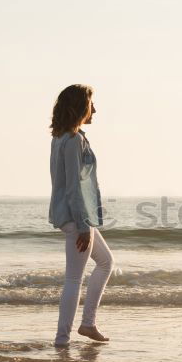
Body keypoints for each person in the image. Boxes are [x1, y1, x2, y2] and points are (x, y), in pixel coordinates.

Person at [48, 84, 115, 347]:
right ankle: (62, 340)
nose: (95, 109)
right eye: (91, 104)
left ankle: (88, 324)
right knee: (74, 278)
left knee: (106, 262)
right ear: (80, 106)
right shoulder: (74, 140)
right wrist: (84, 225)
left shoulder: (61, 137)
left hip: (73, 214)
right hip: (77, 218)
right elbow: (74, 186)